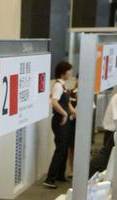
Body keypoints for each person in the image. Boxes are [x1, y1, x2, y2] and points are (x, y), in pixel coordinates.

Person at [43, 61, 77, 189]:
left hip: (65, 119)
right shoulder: (58, 86)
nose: (71, 73)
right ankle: (50, 178)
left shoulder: (64, 85)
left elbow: (67, 103)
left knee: (64, 148)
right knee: (60, 149)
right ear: (63, 72)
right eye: (69, 71)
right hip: (59, 120)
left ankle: (60, 175)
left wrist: (73, 112)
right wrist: (64, 114)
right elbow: (54, 102)